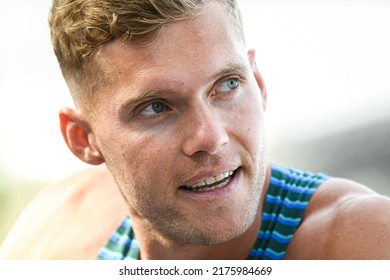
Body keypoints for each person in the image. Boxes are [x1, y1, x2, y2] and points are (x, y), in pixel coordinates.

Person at [1, 0, 389, 260]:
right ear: (83, 139)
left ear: (258, 81)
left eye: (228, 85)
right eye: (155, 107)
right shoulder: (55, 236)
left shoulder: (362, 243)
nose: (211, 136)